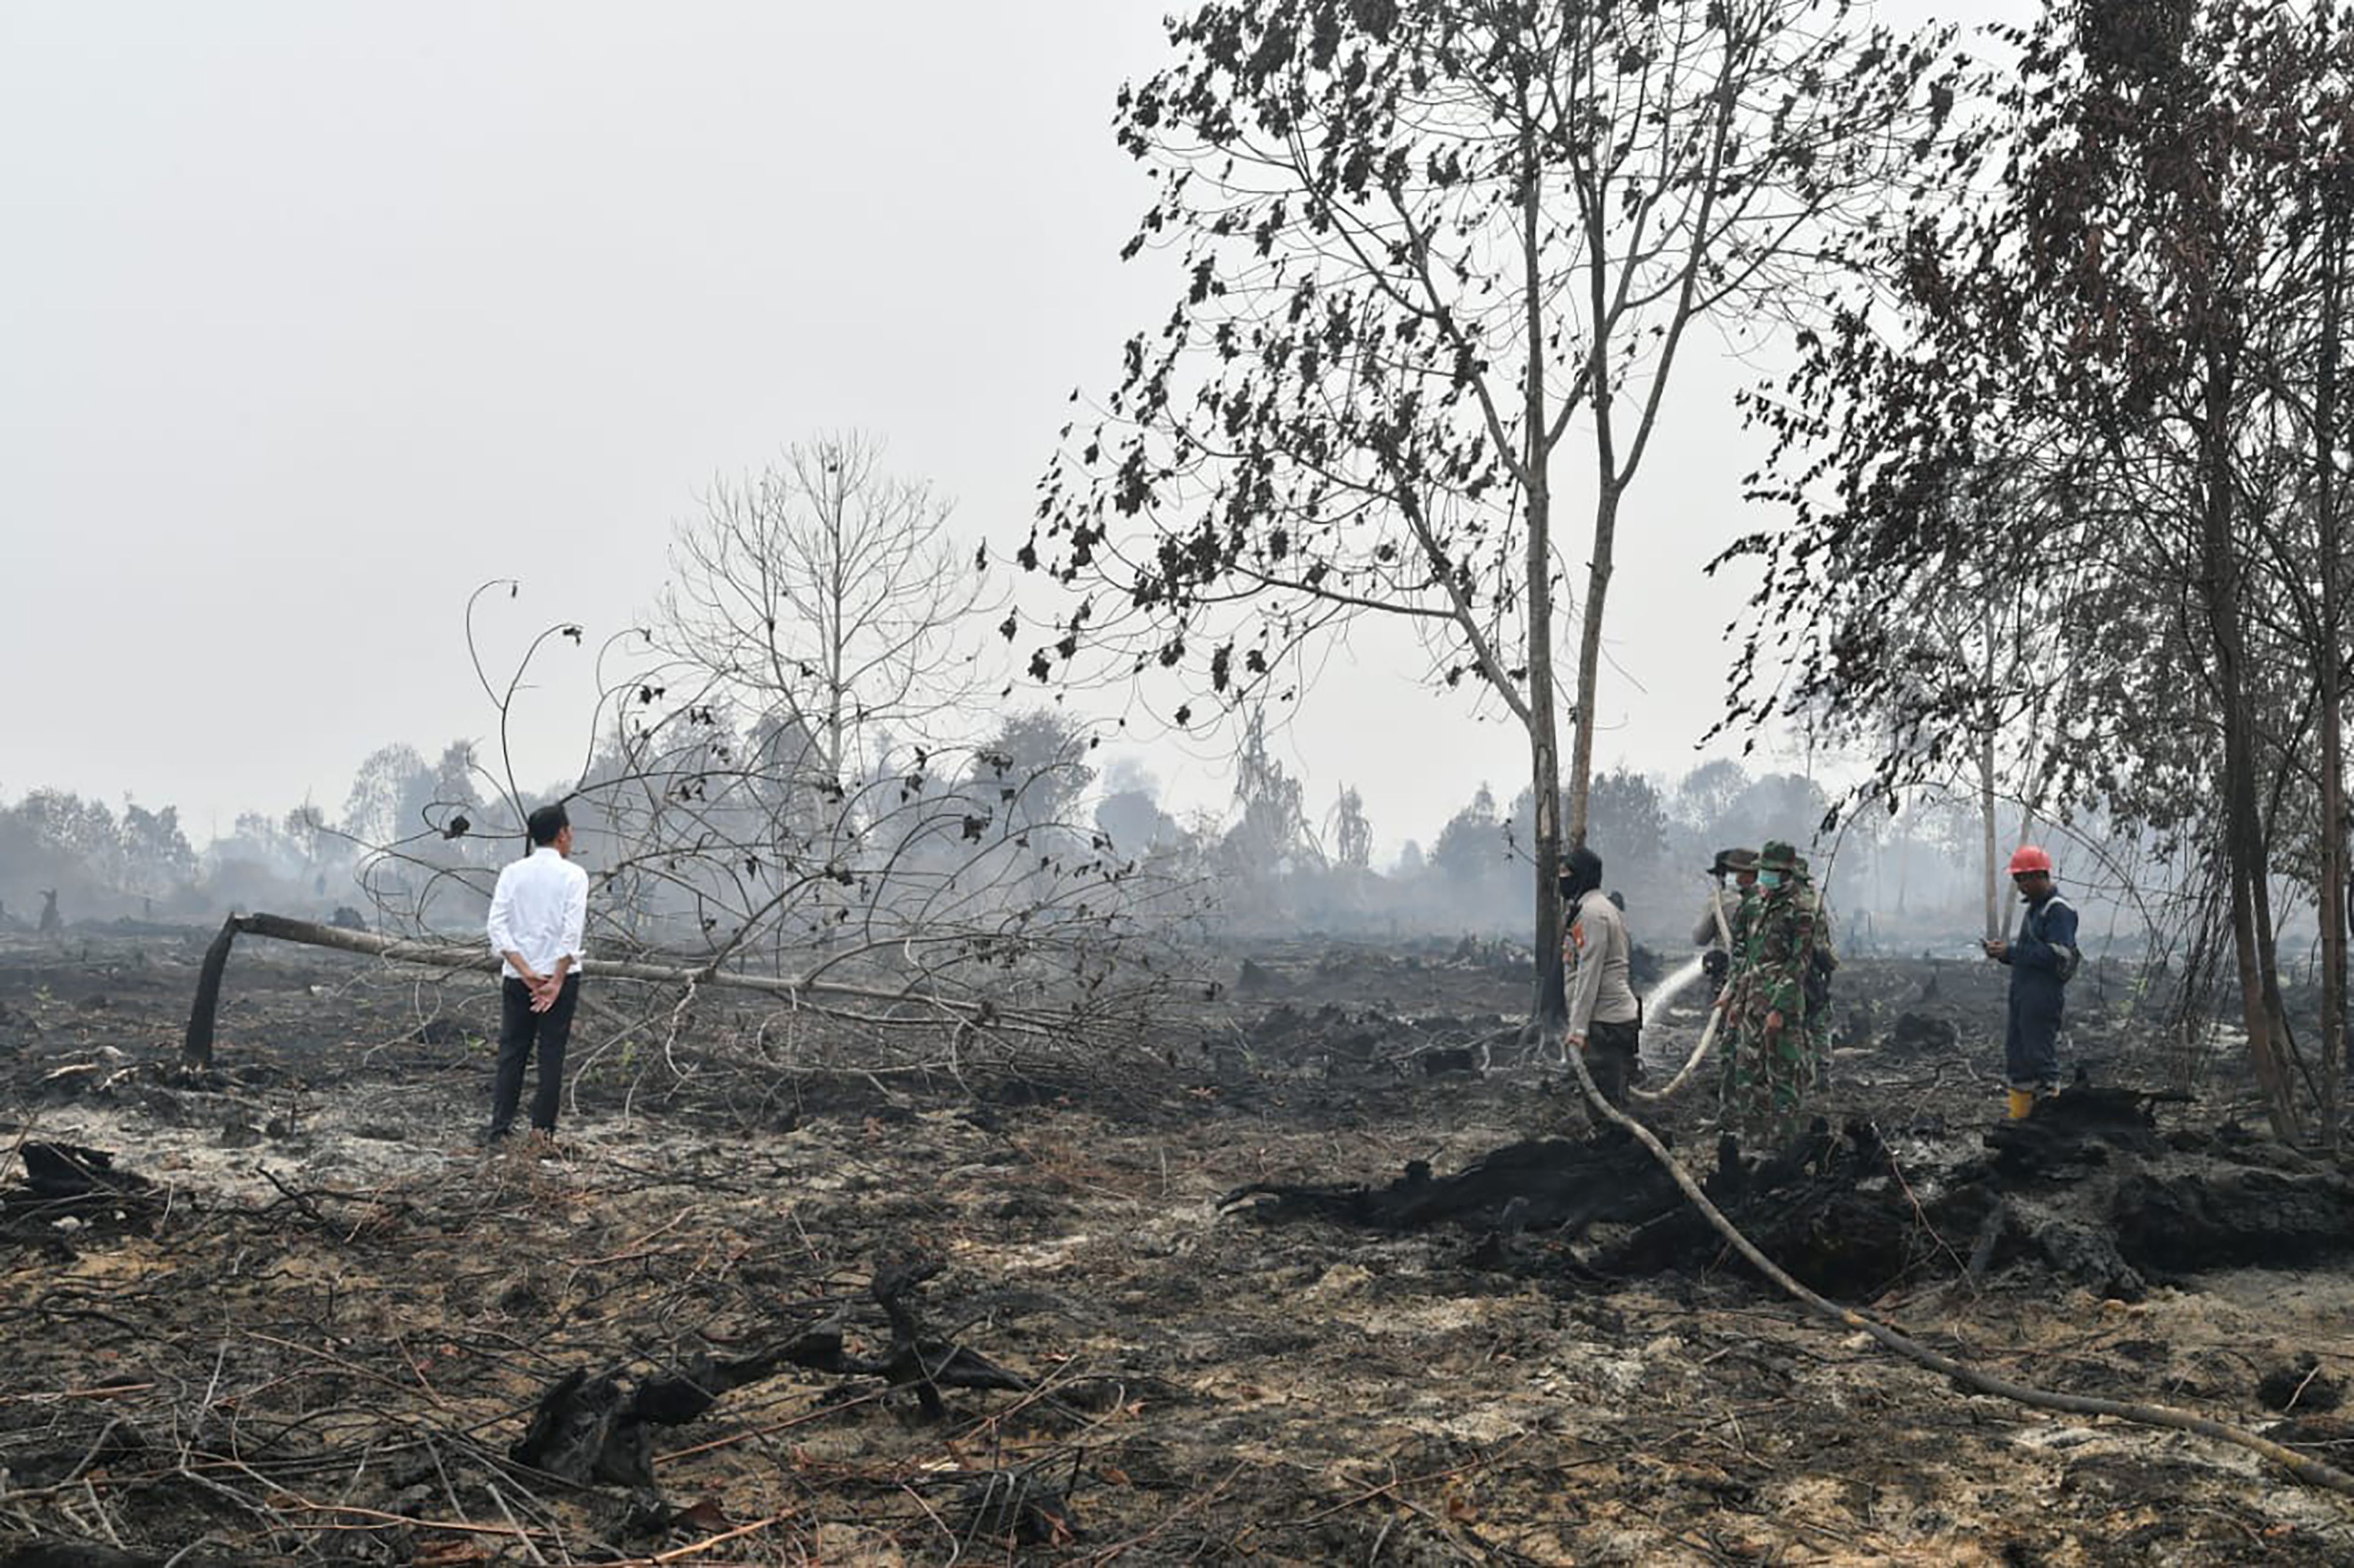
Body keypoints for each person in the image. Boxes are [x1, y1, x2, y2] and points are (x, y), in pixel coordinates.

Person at [486, 803, 589, 1144]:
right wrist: (556, 980)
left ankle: (500, 1128)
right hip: (559, 980)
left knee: (512, 1051)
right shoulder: (574, 876)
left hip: (519, 978)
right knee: (551, 1054)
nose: (571, 835)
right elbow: (571, 935)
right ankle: (541, 1133)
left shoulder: (512, 873)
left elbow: (497, 928)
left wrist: (526, 971)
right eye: (570, 830)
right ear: (561, 834)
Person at [1723, 840, 1817, 1146]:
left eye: (1770, 872)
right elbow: (1750, 959)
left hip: (1781, 1011)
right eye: (1763, 870)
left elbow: (1798, 963)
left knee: (1782, 1080)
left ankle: (1786, 1147)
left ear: (1786, 873)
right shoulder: (1757, 906)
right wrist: (1737, 1001)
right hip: (1752, 1005)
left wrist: (1779, 1008)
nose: (1764, 876)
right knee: (1748, 1076)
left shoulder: (1800, 910)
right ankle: (1755, 1142)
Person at [1983, 844, 2077, 1119]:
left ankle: (2051, 1122)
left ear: (2039, 875)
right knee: (2019, 1058)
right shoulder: (2036, 909)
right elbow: (2031, 955)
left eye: (2022, 879)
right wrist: (2004, 954)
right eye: (2017, 880)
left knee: (2040, 1058)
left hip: (2043, 995)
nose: (2020, 886)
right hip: (2023, 992)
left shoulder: (2058, 911)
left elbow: (2058, 956)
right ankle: (2020, 1123)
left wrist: (2012, 952)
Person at [1559, 845, 1643, 1108]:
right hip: (1606, 1020)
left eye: (1566, 873)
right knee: (1609, 1099)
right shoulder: (1595, 908)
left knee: (1606, 1103)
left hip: (1605, 1023)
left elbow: (1589, 972)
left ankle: (1622, 1146)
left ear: (1582, 876)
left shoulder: (1594, 914)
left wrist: (1578, 1029)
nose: (1561, 879)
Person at [1694, 847, 1760, 1003]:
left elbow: (1700, 937)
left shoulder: (1720, 901)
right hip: (1761, 979)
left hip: (1727, 973)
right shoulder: (1768, 900)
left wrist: (1712, 908)